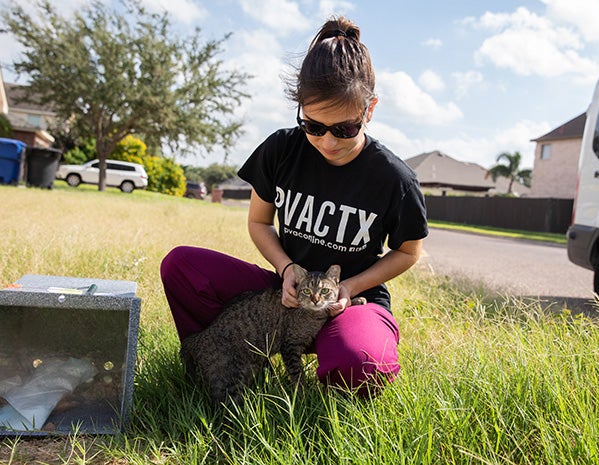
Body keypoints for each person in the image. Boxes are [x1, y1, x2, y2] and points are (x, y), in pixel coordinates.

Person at [160, 15, 428, 394]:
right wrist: (286, 269)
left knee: (361, 362)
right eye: (314, 126)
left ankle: (333, 362)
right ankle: (216, 366)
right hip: (284, 294)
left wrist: (349, 287)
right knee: (182, 266)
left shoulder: (394, 179)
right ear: (300, 109)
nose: (328, 142)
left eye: (345, 129)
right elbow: (259, 223)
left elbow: (409, 251)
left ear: (370, 110)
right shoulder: (281, 149)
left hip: (349, 304)